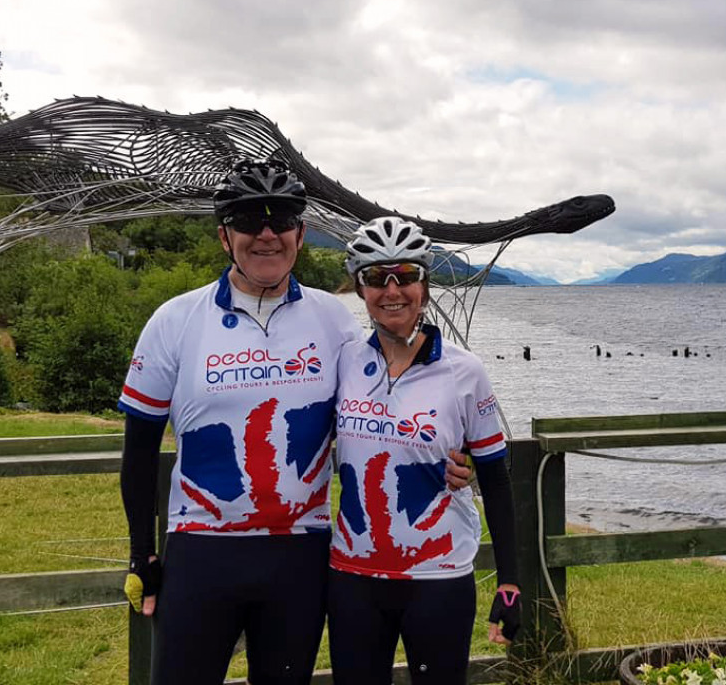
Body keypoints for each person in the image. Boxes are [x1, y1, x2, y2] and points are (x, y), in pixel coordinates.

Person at [119, 158, 471, 685]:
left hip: (300, 552)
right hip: (201, 547)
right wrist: (139, 552)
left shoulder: (333, 320)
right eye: (247, 221)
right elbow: (140, 451)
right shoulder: (175, 319)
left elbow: (389, 401)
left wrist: (451, 456)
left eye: (281, 219)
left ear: (301, 235)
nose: (266, 234)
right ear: (224, 236)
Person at [327, 217, 521, 685]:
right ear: (360, 288)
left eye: (406, 275)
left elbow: (495, 476)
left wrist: (511, 583)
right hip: (354, 573)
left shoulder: (465, 371)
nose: (393, 289)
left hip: (438, 574)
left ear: (425, 284)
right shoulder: (344, 360)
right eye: (377, 277)